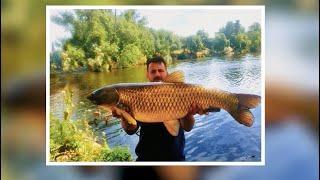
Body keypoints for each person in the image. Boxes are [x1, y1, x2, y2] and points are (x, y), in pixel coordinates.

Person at [112, 56, 213, 161]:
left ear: (167, 73)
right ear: (147, 75)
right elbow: (131, 130)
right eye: (153, 71)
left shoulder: (179, 93)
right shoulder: (138, 95)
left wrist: (188, 113)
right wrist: (124, 116)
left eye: (160, 70)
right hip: (146, 158)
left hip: (175, 158)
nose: (157, 74)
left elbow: (188, 127)